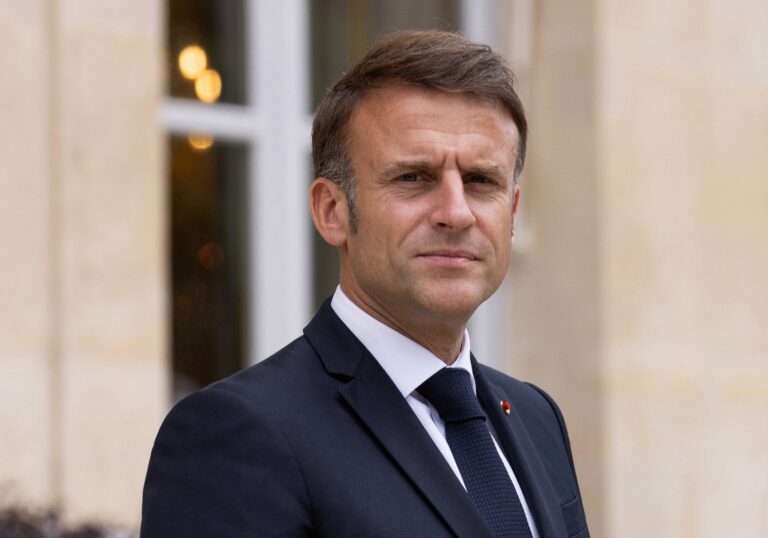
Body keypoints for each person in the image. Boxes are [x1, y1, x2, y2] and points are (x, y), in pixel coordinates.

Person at [141, 30, 589, 538]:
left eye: (480, 181)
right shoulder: (236, 433)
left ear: (512, 212)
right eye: (413, 178)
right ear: (332, 211)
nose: (456, 212)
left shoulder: (536, 418)